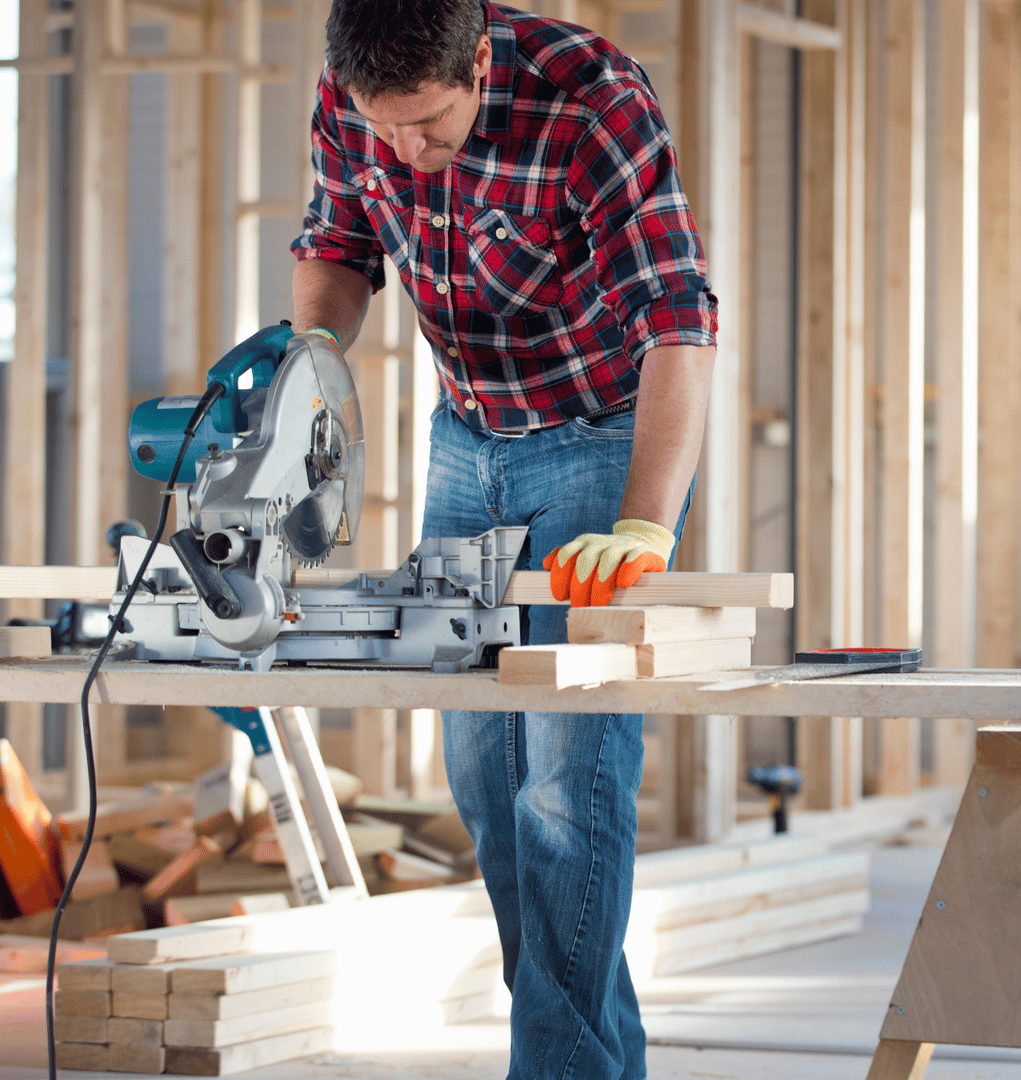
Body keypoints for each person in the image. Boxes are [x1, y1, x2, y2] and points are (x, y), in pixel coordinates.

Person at [254, 0, 716, 1074]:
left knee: (567, 786)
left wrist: (644, 521)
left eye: (432, 127)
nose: (407, 150)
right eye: (386, 129)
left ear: (479, 62)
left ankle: (556, 1067)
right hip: (467, 442)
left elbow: (678, 322)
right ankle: (594, 1060)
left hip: (603, 442)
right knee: (484, 780)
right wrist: (312, 364)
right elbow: (338, 246)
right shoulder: (358, 92)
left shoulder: (592, 98)